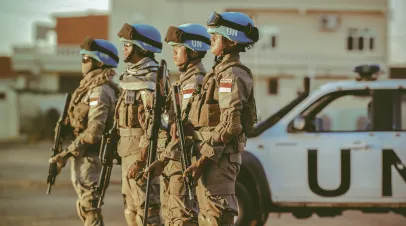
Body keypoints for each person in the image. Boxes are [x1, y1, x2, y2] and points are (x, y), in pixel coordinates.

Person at [183, 11, 259, 225]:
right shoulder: (218, 72)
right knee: (206, 216)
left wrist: (203, 159)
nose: (211, 40)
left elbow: (230, 125)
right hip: (209, 156)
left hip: (218, 159)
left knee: (216, 217)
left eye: (216, 37)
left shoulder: (232, 74)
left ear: (232, 41)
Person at [48, 37, 120, 226]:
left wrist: (66, 153)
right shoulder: (88, 88)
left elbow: (94, 130)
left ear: (100, 61)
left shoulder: (100, 91)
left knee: (90, 209)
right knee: (85, 207)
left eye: (86, 59)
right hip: (84, 156)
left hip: (91, 157)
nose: (82, 63)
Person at [144, 23, 211, 225]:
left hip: (183, 159)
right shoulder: (183, 81)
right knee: (172, 216)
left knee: (182, 218)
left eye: (177, 48)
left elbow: (186, 128)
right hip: (174, 158)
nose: (173, 53)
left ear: (191, 50)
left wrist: (163, 159)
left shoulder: (195, 82)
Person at [116, 23, 163, 226]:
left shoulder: (150, 78)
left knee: (147, 211)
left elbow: (152, 124)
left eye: (128, 44)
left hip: (141, 152)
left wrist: (142, 160)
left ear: (142, 47)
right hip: (127, 149)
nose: (124, 48)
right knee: (131, 209)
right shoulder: (128, 77)